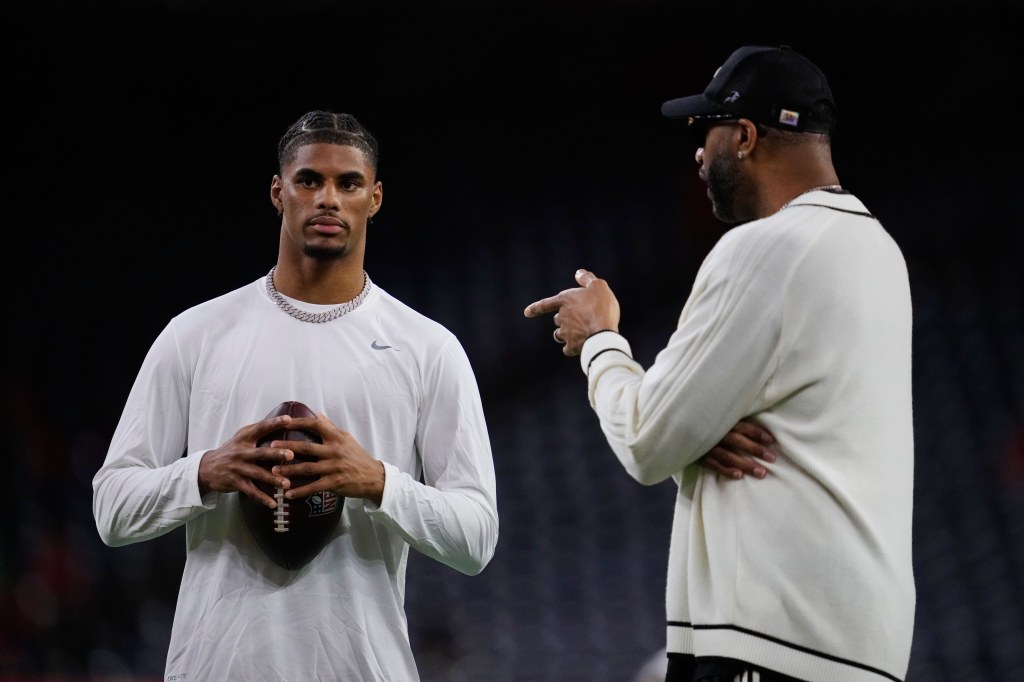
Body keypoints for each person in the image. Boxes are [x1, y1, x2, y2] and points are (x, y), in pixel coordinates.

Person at [524, 45, 915, 682]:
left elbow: (647, 440)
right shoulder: (880, 251)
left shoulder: (763, 248)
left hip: (768, 639)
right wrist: (696, 436)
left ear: (746, 135)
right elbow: (806, 432)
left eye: (706, 132)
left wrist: (600, 340)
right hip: (866, 648)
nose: (699, 155)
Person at [92, 110, 499, 681]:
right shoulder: (195, 335)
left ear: (375, 198)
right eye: (309, 180)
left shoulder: (428, 349)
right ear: (278, 192)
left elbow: (476, 537)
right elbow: (111, 509)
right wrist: (206, 471)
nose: (328, 198)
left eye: (348, 183)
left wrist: (378, 481)